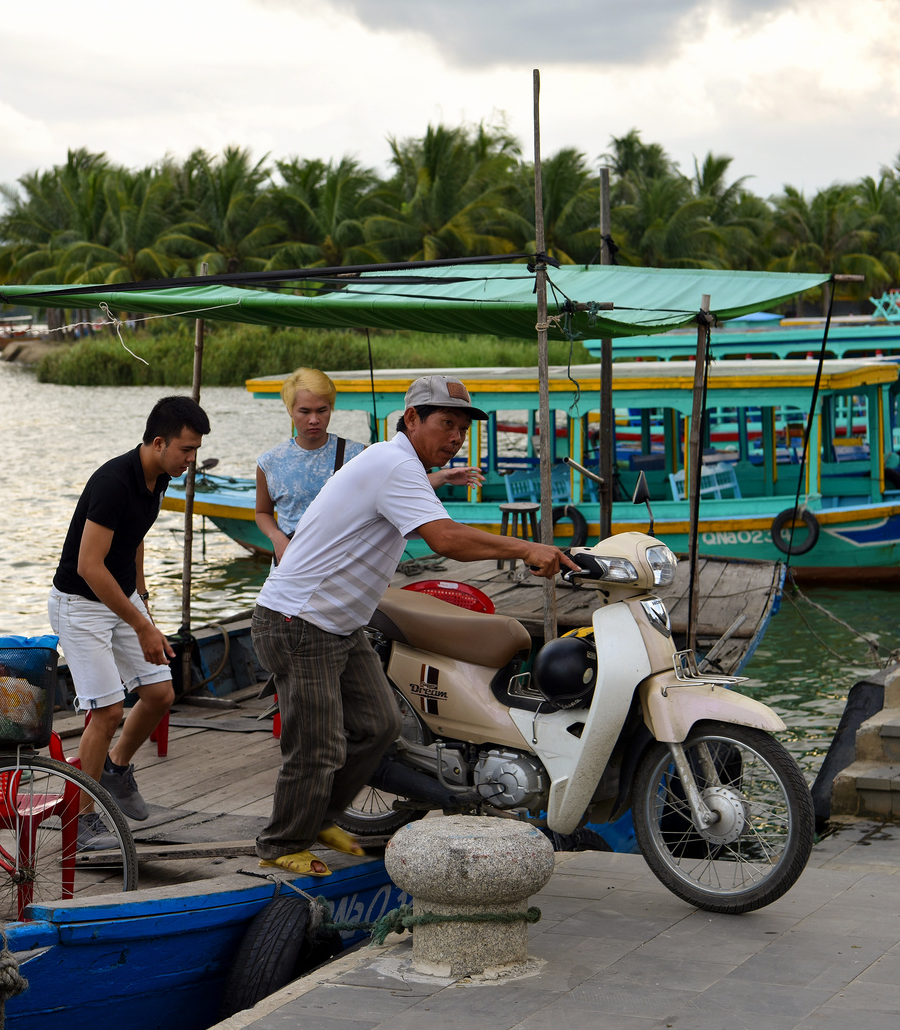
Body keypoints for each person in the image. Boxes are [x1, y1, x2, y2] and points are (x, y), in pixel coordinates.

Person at [252, 375, 576, 875]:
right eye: (446, 423)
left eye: (462, 429)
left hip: (338, 623)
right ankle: (280, 842)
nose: (455, 438)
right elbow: (445, 539)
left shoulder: (400, 465)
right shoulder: (395, 463)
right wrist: (526, 547)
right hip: (298, 620)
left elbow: (431, 520)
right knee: (317, 745)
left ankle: (318, 818)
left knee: (378, 726)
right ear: (411, 420)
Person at [50, 395, 210, 844]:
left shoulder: (158, 477)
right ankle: (80, 822)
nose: (191, 459)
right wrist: (140, 624)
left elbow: (134, 536)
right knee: (107, 711)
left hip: (119, 597)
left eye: (195, 450)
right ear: (158, 442)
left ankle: (117, 770)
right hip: (79, 604)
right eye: (186, 449)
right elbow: (88, 565)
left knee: (160, 693)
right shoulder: (113, 482)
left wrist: (141, 597)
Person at [255, 367, 483, 563]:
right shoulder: (270, 462)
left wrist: (442, 476)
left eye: (322, 410)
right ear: (290, 411)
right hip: (289, 558)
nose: (314, 419)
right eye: (304, 411)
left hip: (346, 562)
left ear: (331, 409)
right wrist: (278, 538)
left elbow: (394, 488)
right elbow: (262, 512)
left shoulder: (358, 454)